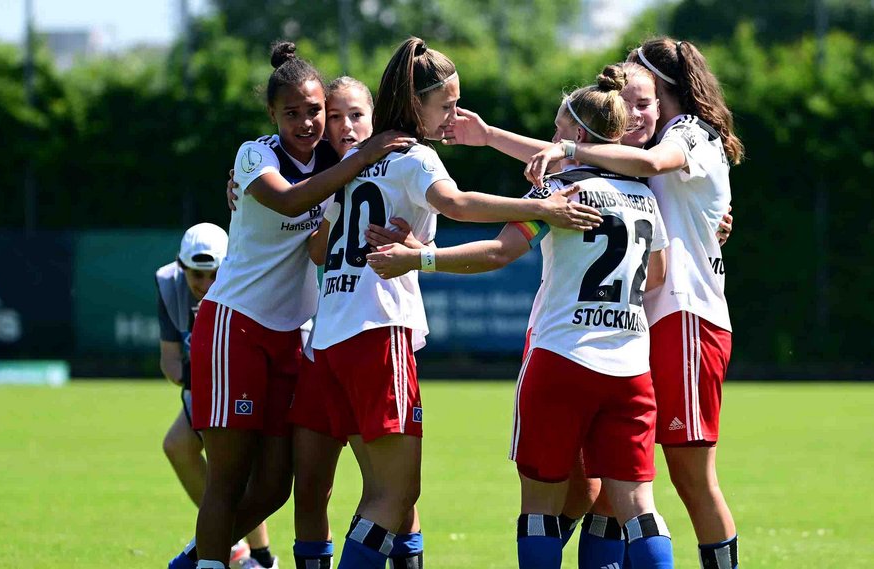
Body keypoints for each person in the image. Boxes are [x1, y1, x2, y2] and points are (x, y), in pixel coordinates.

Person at [443, 37, 744, 569]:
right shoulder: (633, 179)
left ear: (666, 93)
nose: (631, 111)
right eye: (624, 101)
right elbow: (570, 154)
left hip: (678, 318)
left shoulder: (685, 136)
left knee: (685, 479)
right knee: (613, 492)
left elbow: (522, 218)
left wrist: (419, 259)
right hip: (632, 335)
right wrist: (492, 136)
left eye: (642, 99)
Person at [309, 36, 604, 569]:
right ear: (416, 102)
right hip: (377, 332)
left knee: (384, 495)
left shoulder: (357, 157)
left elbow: (320, 244)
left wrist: (414, 247)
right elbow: (458, 204)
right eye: (445, 105)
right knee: (394, 497)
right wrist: (544, 208)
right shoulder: (413, 156)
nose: (452, 116)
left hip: (331, 333)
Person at [366, 66, 676, 569]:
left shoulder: (558, 193)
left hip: (562, 360)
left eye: (557, 130)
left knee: (539, 509)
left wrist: (416, 257)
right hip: (630, 369)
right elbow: (657, 275)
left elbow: (496, 254)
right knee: (640, 509)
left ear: (576, 135)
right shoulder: (644, 198)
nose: (551, 141)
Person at [169, 40, 416, 569]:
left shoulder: (340, 158)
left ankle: (193, 559)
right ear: (272, 115)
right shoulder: (255, 155)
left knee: (277, 486)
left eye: (315, 112)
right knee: (229, 477)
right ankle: (208, 561)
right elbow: (288, 199)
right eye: (292, 113)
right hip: (234, 324)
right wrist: (361, 158)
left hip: (293, 336)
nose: (307, 123)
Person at [156, 223, 275, 569]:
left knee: (240, 470)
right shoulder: (168, 285)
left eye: (213, 274)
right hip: (202, 385)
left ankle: (261, 555)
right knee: (178, 446)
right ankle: (238, 545)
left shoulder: (246, 284)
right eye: (197, 275)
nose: (206, 285)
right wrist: (197, 384)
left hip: (245, 382)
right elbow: (170, 359)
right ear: (182, 268)